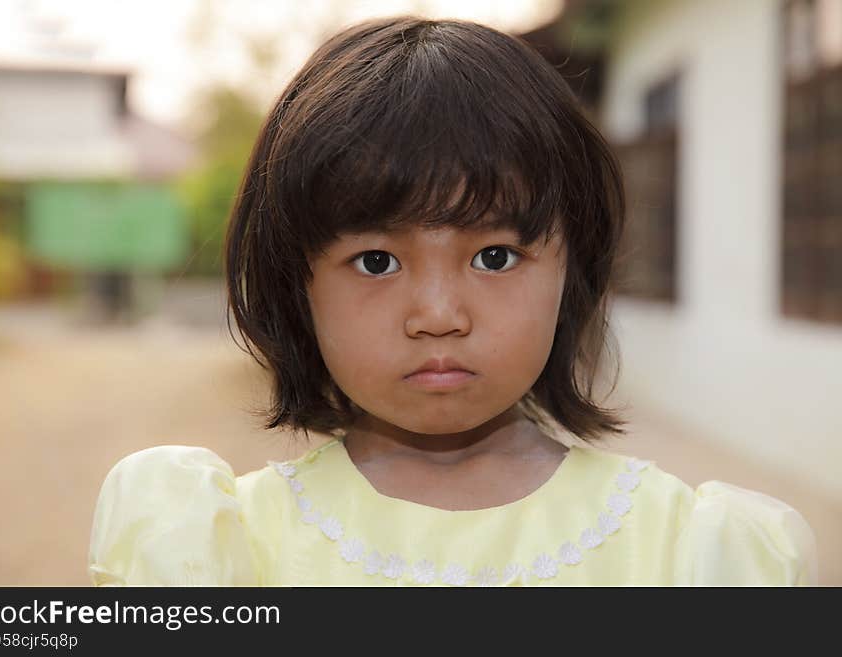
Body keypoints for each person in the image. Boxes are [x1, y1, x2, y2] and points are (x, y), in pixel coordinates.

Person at [87, 16, 818, 586]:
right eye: (375, 261)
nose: (438, 312)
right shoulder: (222, 550)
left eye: (495, 256)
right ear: (296, 283)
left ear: (576, 273)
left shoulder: (688, 553)